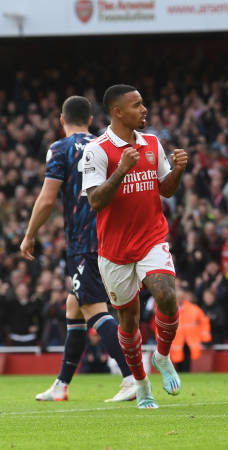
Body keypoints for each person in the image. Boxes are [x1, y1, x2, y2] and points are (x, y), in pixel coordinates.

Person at [20, 96, 138, 403]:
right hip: (111, 235)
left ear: (62, 119)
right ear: (90, 119)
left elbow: (47, 199)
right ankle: (61, 384)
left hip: (84, 241)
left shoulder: (60, 149)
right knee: (75, 307)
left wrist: (29, 235)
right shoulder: (104, 145)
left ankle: (131, 376)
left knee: (93, 308)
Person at [82, 84, 188, 409]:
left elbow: (165, 190)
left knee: (168, 296)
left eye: (143, 103)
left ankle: (163, 356)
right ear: (117, 112)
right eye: (137, 105)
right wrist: (121, 170)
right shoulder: (98, 150)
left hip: (151, 238)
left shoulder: (152, 143)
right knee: (127, 321)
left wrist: (178, 171)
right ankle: (141, 384)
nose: (145, 109)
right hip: (114, 251)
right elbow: (95, 200)